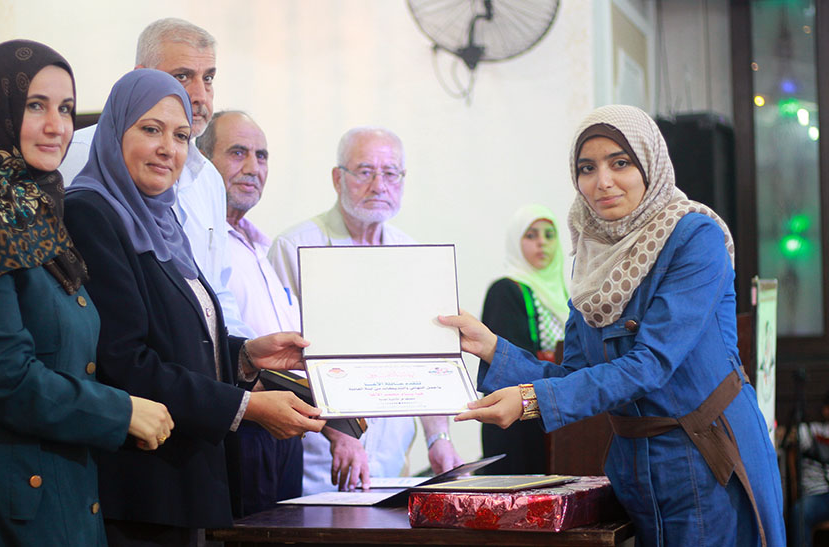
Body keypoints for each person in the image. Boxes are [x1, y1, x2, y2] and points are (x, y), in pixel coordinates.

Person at [441, 105, 785, 546]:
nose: (602, 181)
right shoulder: (591, 258)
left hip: (706, 458)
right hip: (635, 468)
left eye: (620, 162)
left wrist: (531, 401)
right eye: (587, 168)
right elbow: (574, 374)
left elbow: (650, 364)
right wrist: (491, 347)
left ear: (649, 165)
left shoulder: (695, 237)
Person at [0, 40, 173, 546]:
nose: (56, 126)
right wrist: (122, 411)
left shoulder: (35, 212)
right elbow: (8, 379)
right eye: (35, 106)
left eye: (65, 109)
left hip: (50, 498)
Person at [63, 69, 324, 546]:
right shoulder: (91, 213)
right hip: (138, 488)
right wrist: (246, 407)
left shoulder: (162, 220)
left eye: (181, 136)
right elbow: (123, 360)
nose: (169, 149)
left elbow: (180, 339)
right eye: (151, 129)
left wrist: (245, 356)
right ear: (114, 131)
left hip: (182, 478)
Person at [269, 126, 462, 494]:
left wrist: (438, 437)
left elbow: (427, 358)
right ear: (337, 178)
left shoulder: (413, 254)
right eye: (365, 171)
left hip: (391, 456)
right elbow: (280, 362)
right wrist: (339, 430)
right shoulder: (294, 247)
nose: (379, 186)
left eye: (390, 173)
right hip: (318, 455)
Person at [59, 17, 255, 338]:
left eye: (208, 78)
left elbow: (217, 288)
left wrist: (241, 354)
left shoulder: (208, 178)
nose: (200, 95)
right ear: (139, 76)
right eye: (182, 76)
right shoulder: (78, 156)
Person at [197, 111, 303, 514]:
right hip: (241, 424)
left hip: (284, 432)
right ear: (203, 161)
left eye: (262, 156)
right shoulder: (201, 239)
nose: (253, 167)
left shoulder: (262, 246)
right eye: (238, 152)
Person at [477, 204, 568, 475]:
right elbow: (510, 363)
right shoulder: (506, 290)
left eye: (549, 235)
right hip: (518, 423)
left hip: (555, 413)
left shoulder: (567, 294)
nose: (542, 243)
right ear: (516, 242)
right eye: (531, 235)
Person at [791, 391, 829, 547]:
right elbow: (795, 436)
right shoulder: (813, 430)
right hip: (817, 495)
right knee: (800, 512)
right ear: (826, 410)